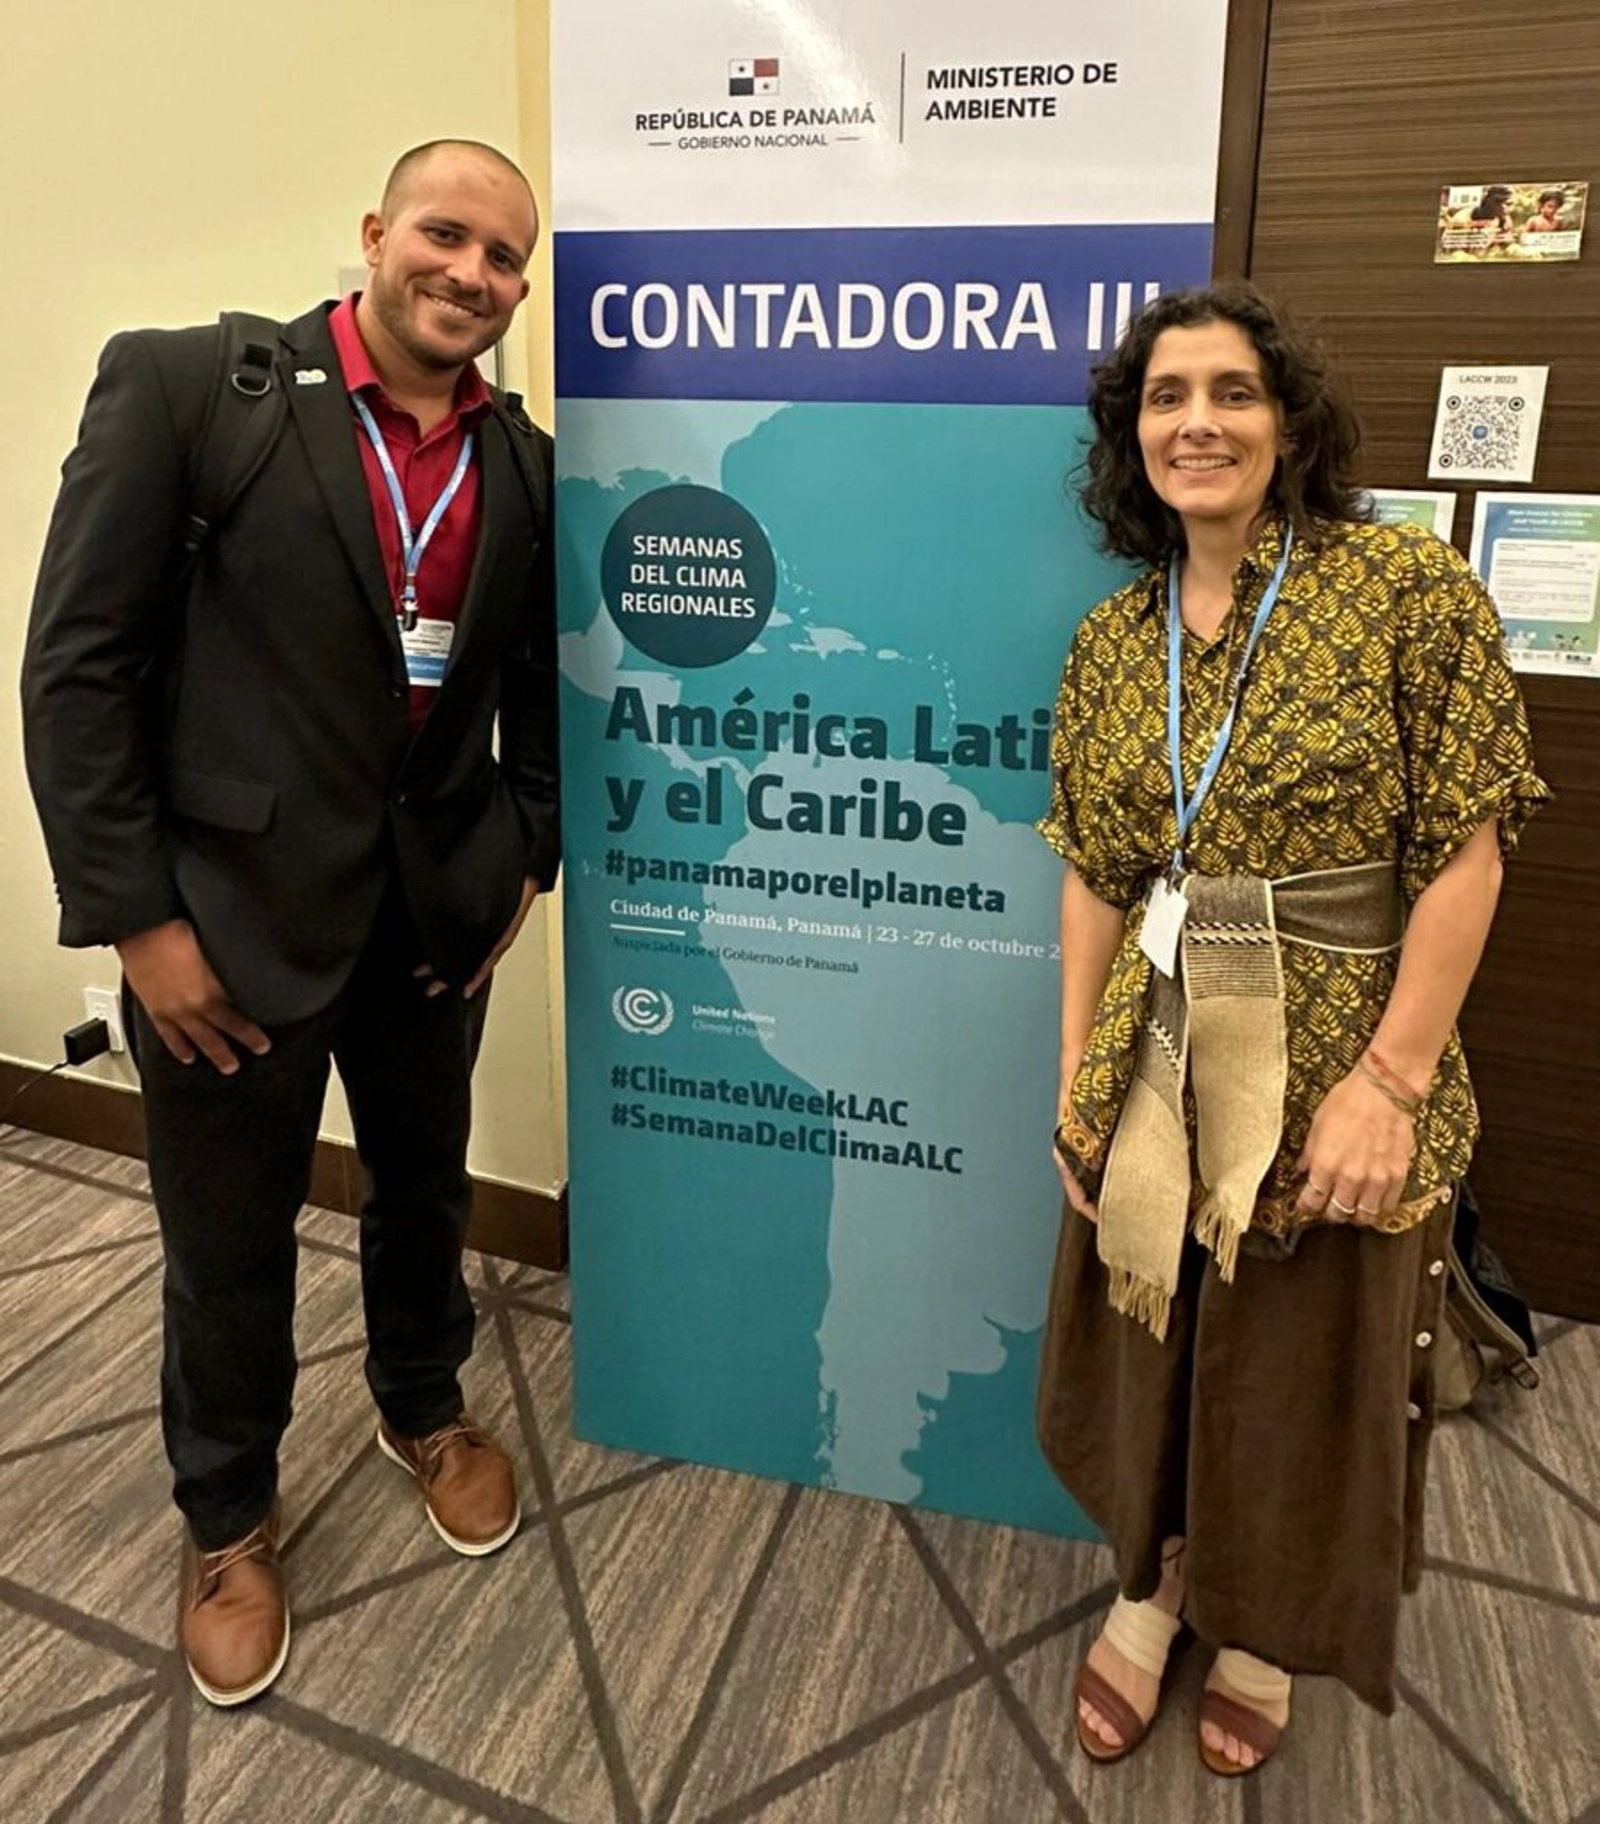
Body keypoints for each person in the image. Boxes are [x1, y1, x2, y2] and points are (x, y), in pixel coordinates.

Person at [22, 140, 559, 1707]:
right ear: (376, 234)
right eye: (446, 235)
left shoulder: (522, 463)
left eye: (505, 259)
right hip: (224, 932)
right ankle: (227, 1515)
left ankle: (422, 1404)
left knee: (423, 1189)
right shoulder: (195, 389)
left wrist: (522, 862)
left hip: (430, 925)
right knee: (227, 1240)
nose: (471, 274)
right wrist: (138, 922)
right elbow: (78, 671)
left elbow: (536, 692)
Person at [1035, 280, 1546, 1776]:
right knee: (1157, 1337)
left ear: (1290, 424)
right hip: (1158, 1049)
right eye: (1166, 398)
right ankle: (1158, 1580)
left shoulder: (1401, 589)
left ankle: (1263, 1622)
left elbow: (1467, 852)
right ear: (1131, 440)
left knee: (1302, 1362)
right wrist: (1072, 1077)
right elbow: (1095, 872)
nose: (1197, 423)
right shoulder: (1115, 638)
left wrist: (1391, 1083)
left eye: (1233, 392)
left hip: (1341, 1052)